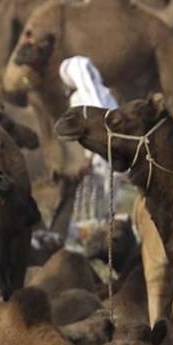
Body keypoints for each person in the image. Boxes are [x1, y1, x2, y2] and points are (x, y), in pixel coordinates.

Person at [58, 55, 119, 240]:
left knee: (89, 208)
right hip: (114, 156)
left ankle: (89, 237)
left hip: (95, 157)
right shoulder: (107, 94)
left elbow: (84, 133)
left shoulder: (77, 99)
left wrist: (88, 158)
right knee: (109, 202)